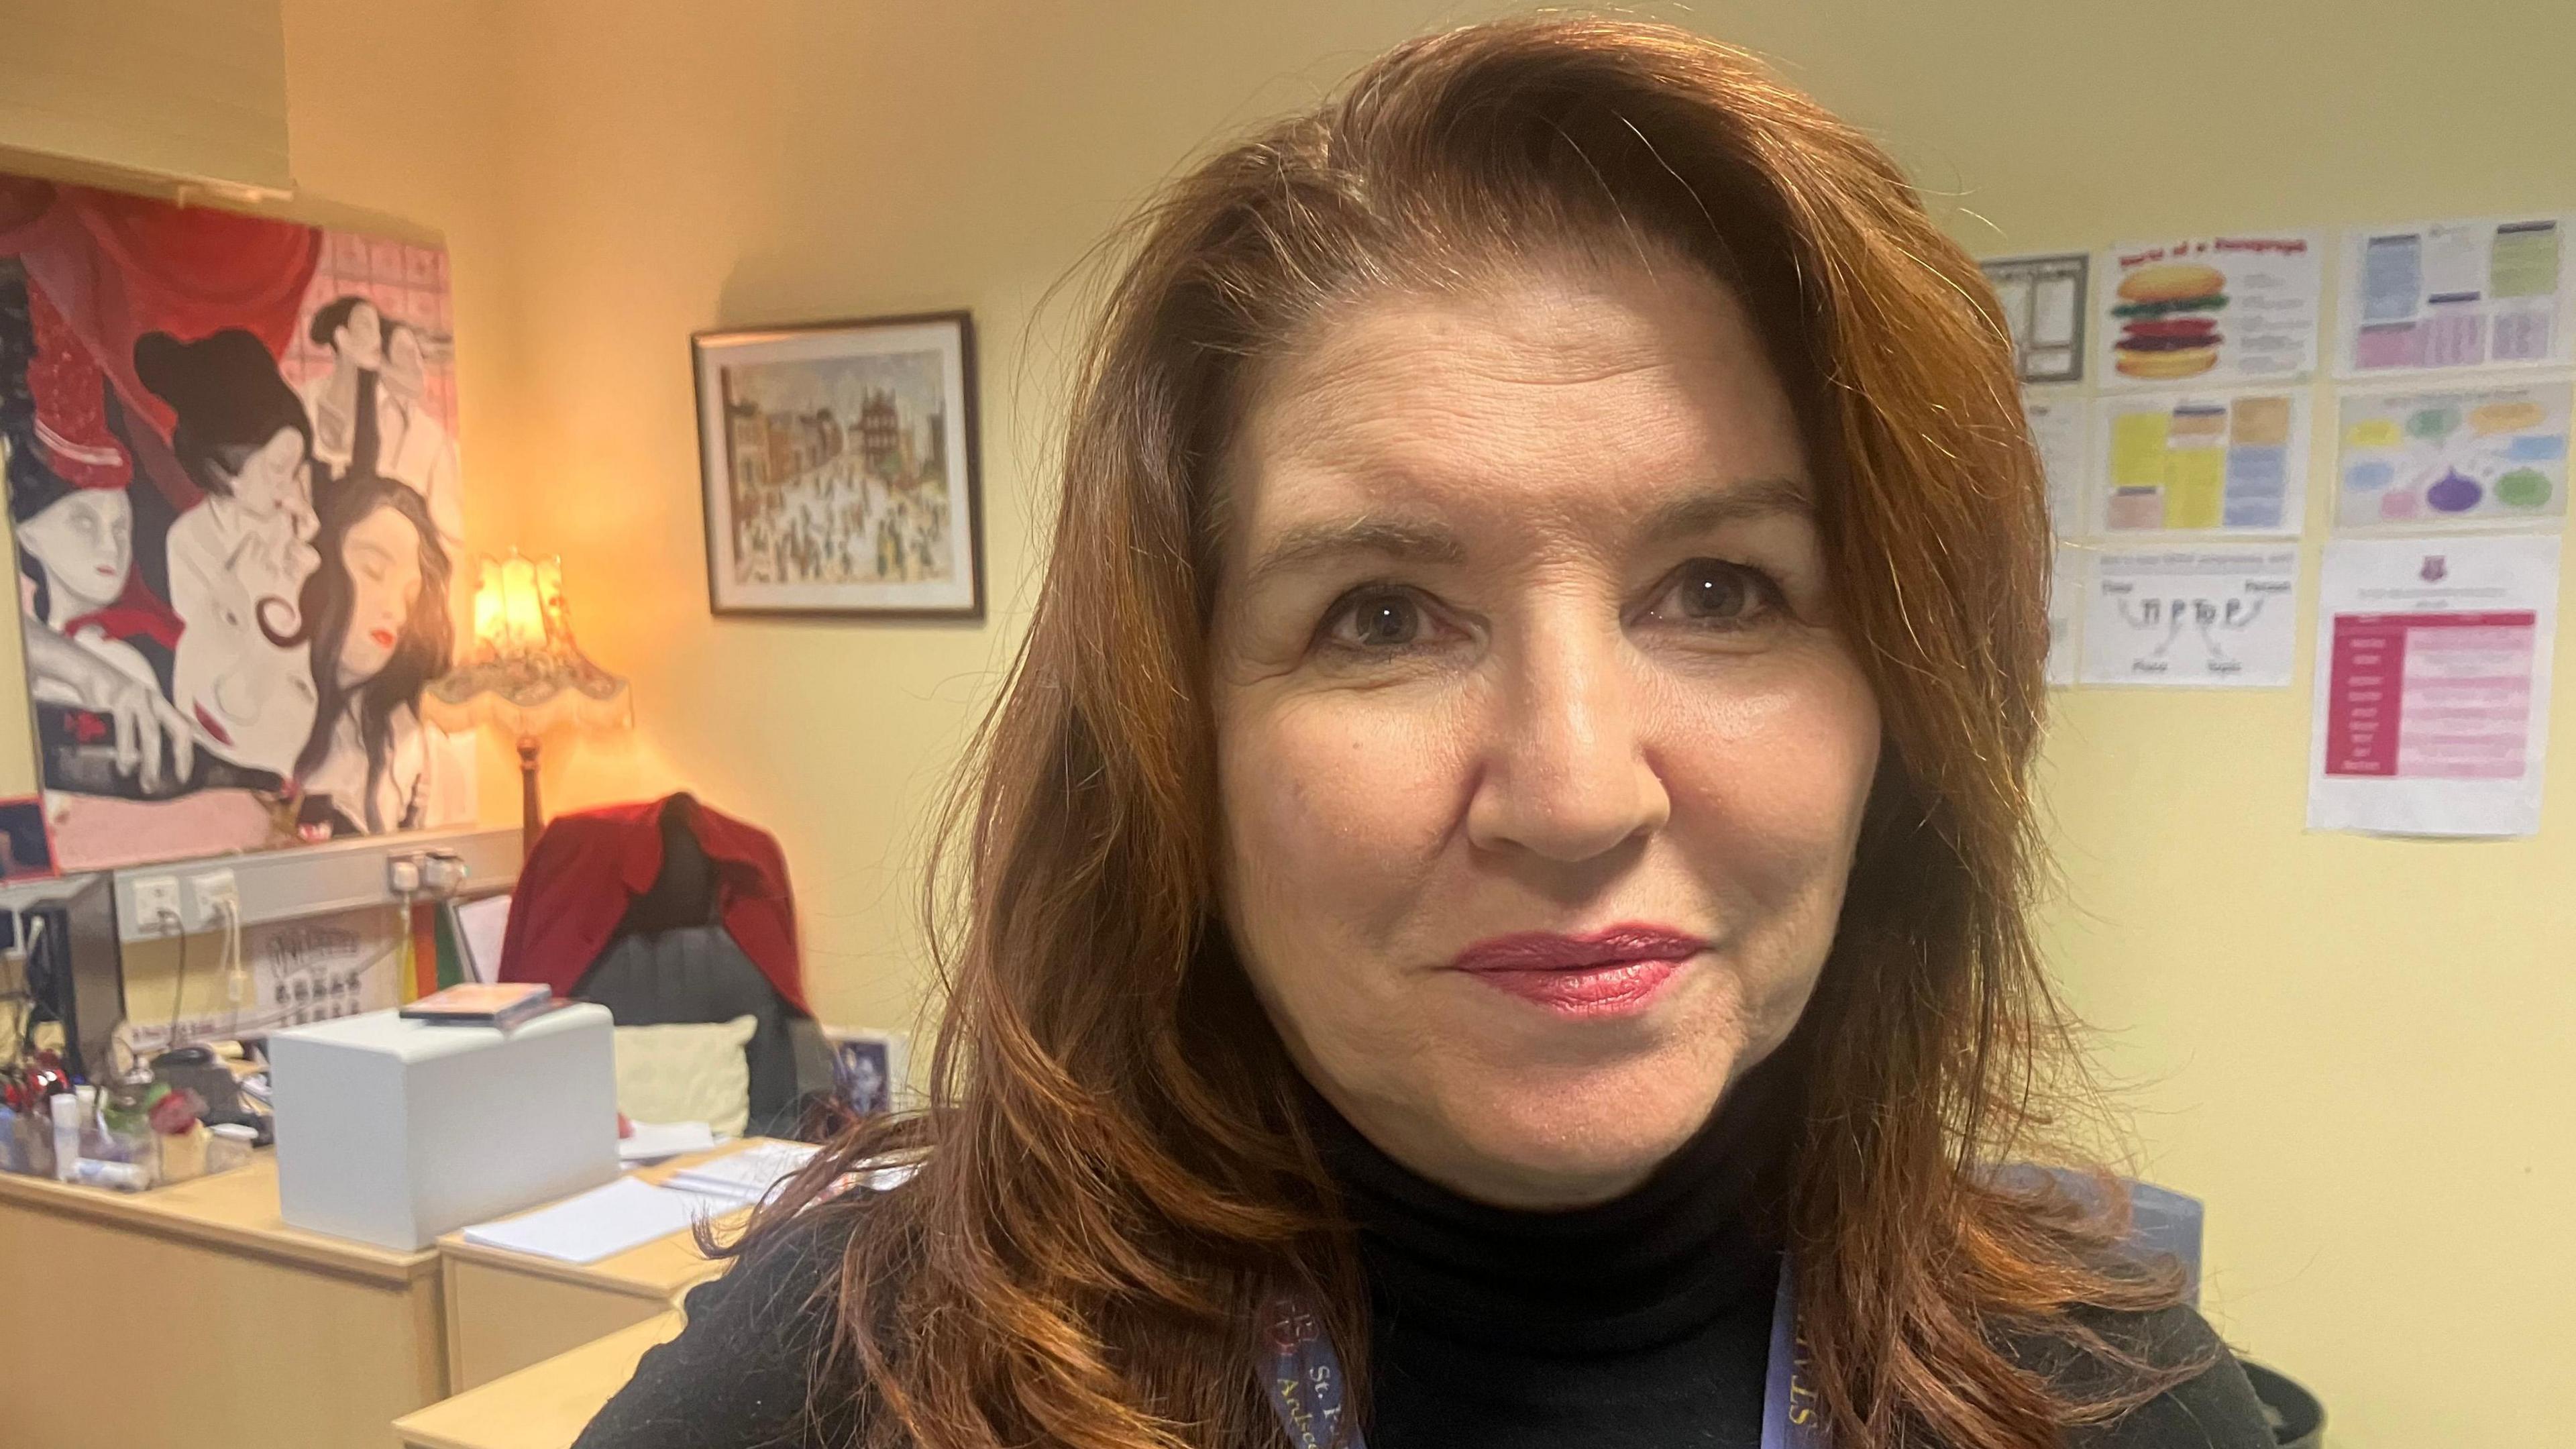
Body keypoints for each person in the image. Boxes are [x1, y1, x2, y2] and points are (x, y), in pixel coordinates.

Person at [578, 19, 2271, 1449]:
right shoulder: (844, 1392)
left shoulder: (2121, 1402)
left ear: (1902, 718)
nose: (1572, 788)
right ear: (1180, 750)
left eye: (1720, 588)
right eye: (1380, 615)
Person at [137, 328, 324, 779]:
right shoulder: (190, 540)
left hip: (285, 723)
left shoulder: (296, 530)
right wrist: (255, 588)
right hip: (218, 706)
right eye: (279, 469)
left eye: (297, 470)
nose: (288, 487)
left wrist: (314, 561)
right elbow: (214, 640)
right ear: (226, 469)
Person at [274, 474, 453, 835]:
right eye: (373, 570)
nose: (396, 612)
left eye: (409, 596)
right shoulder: (260, 710)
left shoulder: (408, 743)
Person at [376, 319, 466, 552]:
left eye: (419, 355)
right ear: (381, 361)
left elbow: (451, 522)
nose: (418, 365)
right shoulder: (355, 419)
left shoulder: (435, 438)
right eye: (407, 354)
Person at [299, 292, 386, 490]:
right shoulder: (307, 399)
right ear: (342, 337)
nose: (378, 339)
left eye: (378, 329)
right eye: (367, 326)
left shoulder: (383, 404)